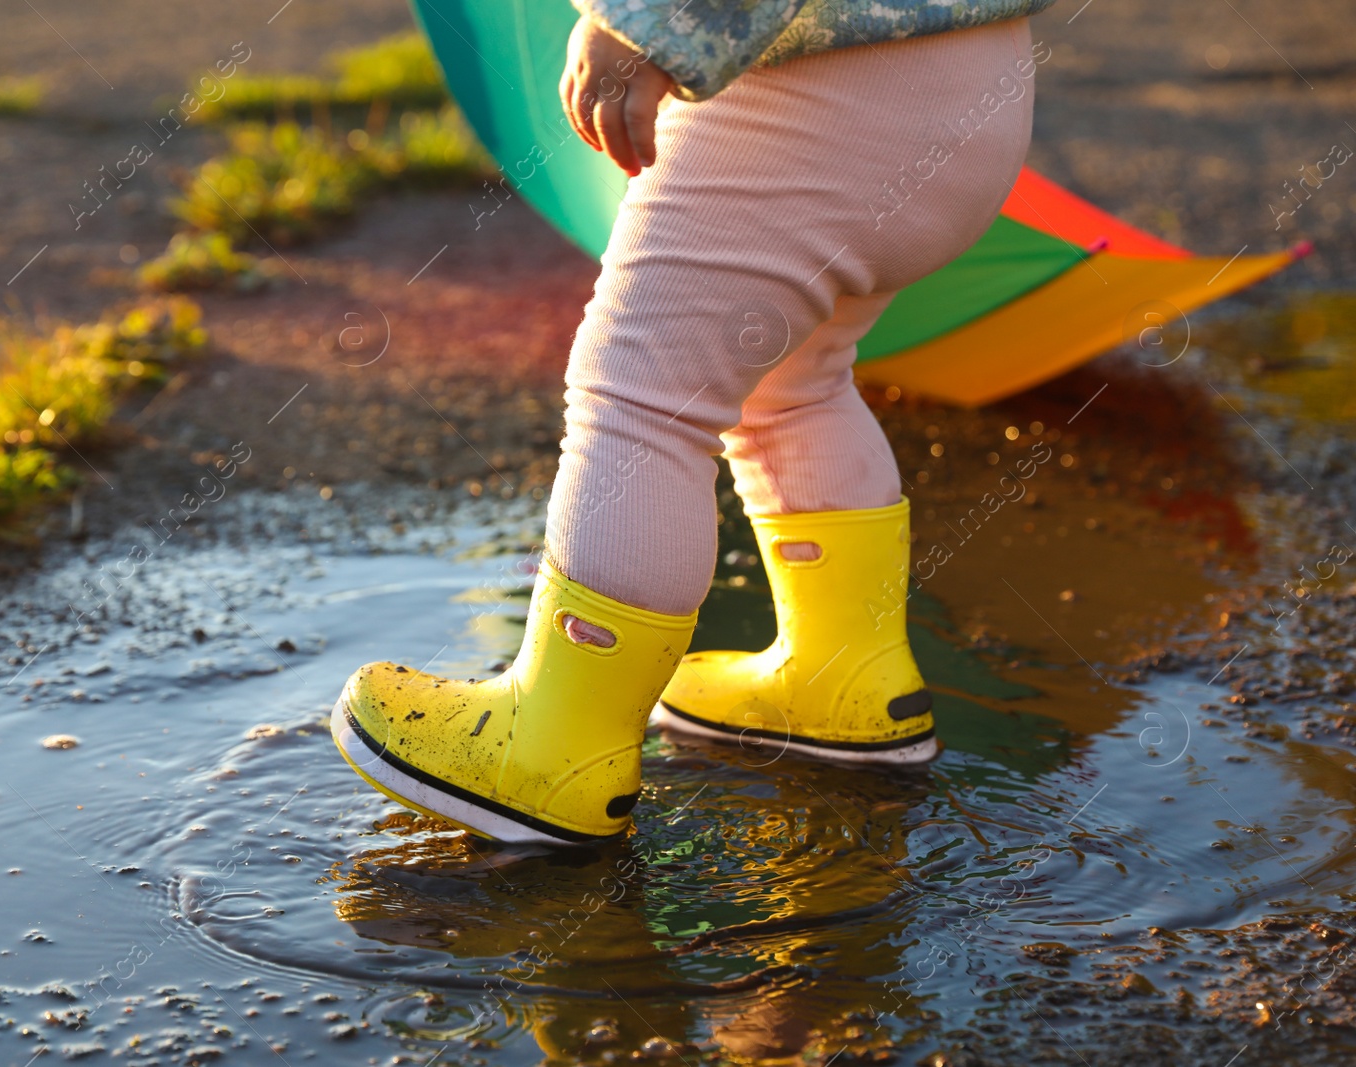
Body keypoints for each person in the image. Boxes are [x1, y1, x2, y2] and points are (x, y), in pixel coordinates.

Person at [333, 0, 1059, 844]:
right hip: (962, 89)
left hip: (813, 93)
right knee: (792, 379)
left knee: (641, 397)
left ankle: (553, 745)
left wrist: (649, 23)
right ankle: (840, 679)